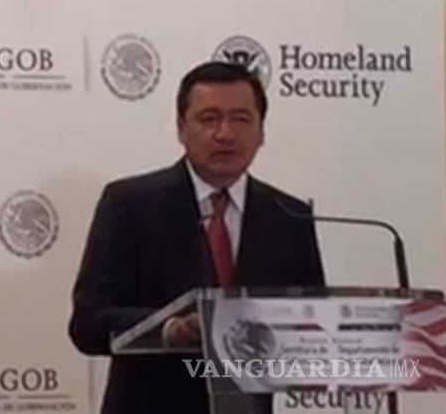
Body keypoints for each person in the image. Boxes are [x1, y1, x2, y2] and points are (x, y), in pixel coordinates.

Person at [68, 61, 325, 414]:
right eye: (209, 119)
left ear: (262, 132)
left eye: (241, 119)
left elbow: (311, 324)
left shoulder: (288, 214)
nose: (225, 134)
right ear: (180, 128)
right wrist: (170, 330)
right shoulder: (130, 204)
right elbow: (88, 324)